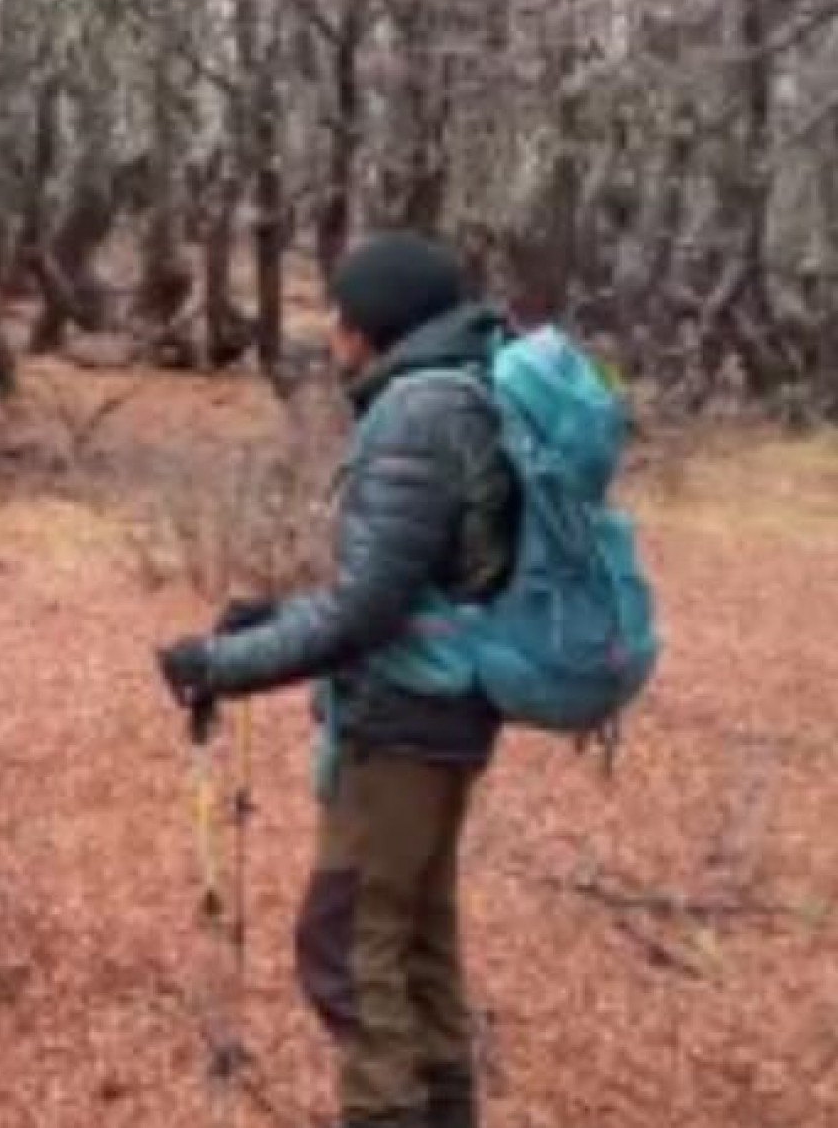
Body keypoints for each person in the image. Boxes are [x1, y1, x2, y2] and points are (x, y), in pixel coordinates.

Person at [154, 232, 521, 1128]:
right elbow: (395, 581)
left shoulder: (416, 415)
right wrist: (273, 617)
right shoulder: (454, 397)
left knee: (347, 949)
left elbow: (368, 614)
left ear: (372, 326)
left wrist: (222, 666)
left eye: (340, 315)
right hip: (442, 710)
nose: (330, 335)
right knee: (415, 944)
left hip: (405, 722)